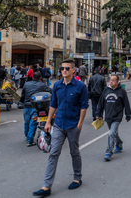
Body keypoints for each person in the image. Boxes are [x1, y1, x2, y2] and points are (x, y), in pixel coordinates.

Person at [33, 59, 88, 197]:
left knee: (74, 152)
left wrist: (80, 124)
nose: (64, 70)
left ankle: (77, 178)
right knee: (53, 154)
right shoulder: (57, 85)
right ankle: (46, 186)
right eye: (62, 68)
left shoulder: (80, 87)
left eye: (67, 68)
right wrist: (47, 122)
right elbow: (53, 105)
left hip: (73, 125)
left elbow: (84, 106)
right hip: (58, 124)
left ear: (73, 70)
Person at [96, 75, 131, 161]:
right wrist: (98, 113)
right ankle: (119, 144)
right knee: (114, 133)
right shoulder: (106, 91)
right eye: (110, 80)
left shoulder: (122, 92)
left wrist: (128, 114)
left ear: (117, 82)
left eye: (113, 80)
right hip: (108, 116)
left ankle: (108, 152)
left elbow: (126, 103)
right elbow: (101, 103)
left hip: (117, 117)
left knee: (111, 133)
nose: (111, 82)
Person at [21, 71, 52, 147]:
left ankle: (27, 136)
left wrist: (21, 103)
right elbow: (51, 91)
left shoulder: (26, 84)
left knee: (26, 122)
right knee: (33, 123)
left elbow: (22, 95)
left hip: (26, 106)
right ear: (40, 78)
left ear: (32, 77)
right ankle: (30, 140)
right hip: (36, 107)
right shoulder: (42, 85)